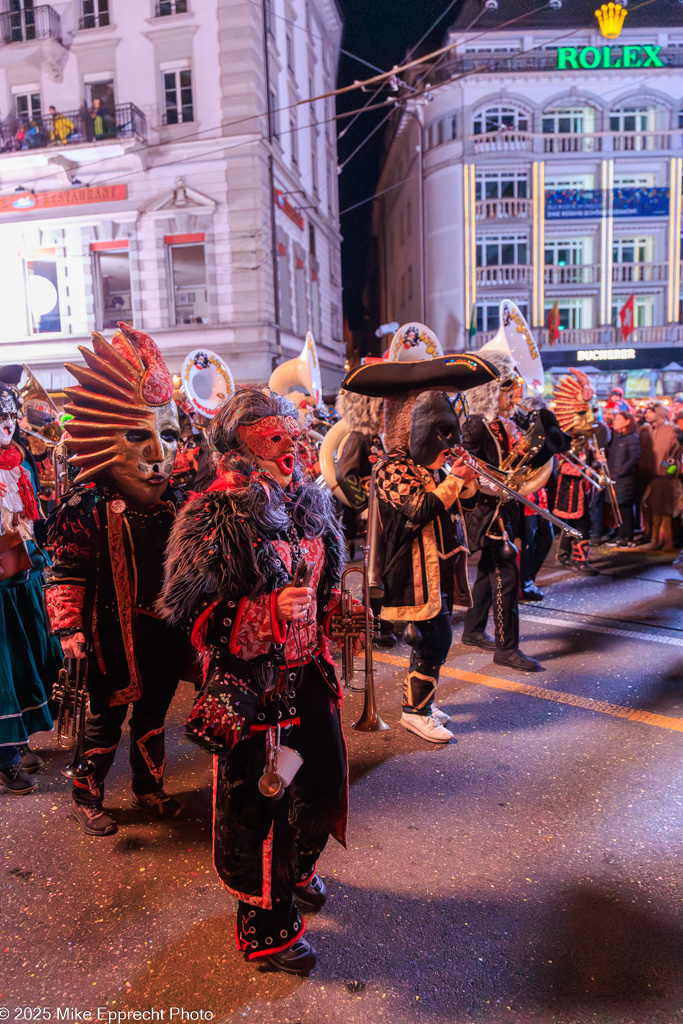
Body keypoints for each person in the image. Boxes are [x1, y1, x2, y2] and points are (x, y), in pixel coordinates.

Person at [157, 387, 356, 977]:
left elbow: (319, 583)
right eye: (277, 435)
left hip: (310, 676)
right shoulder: (214, 511)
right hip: (254, 685)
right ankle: (265, 929)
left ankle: (297, 869)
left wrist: (336, 606)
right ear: (243, 442)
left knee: (320, 781)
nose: (292, 443)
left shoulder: (309, 502)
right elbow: (190, 615)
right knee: (258, 807)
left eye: (295, 433)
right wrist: (264, 613)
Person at [44, 323, 187, 836]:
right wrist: (68, 630)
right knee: (103, 725)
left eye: (167, 435)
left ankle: (149, 788)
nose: (157, 453)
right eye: (138, 436)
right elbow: (64, 571)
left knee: (152, 719)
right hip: (108, 641)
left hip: (163, 636)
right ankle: (86, 794)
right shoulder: (85, 507)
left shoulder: (178, 503)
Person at [341, 347, 503, 732]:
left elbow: (467, 502)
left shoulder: (426, 463)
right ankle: (416, 713)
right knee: (435, 638)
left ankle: (419, 704)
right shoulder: (391, 465)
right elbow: (419, 508)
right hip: (409, 570)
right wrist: (451, 479)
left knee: (432, 637)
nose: (445, 437)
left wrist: (465, 478)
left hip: (437, 567)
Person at [460, 352, 544, 672]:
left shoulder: (502, 424)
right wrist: (495, 485)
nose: (513, 398)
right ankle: (507, 648)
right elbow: (468, 467)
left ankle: (472, 630)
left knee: (487, 572)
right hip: (488, 511)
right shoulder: (475, 424)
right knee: (506, 577)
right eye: (508, 392)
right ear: (492, 393)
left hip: (503, 508)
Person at [0, 382, 62, 794]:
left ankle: (15, 743)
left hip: (21, 577)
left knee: (26, 660)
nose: (5, 426)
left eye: (7, 418)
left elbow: (30, 519)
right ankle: (4, 758)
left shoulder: (18, 463)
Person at [553, 369, 600, 575]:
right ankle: (578, 560)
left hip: (581, 492)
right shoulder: (563, 442)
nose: (590, 418)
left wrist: (598, 464)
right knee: (577, 524)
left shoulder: (585, 441)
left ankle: (565, 556)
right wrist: (586, 472)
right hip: (568, 491)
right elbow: (561, 467)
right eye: (582, 413)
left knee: (574, 523)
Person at [640, 401, 681, 551]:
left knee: (665, 509)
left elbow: (671, 456)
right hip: (652, 477)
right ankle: (655, 539)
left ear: (658, 413)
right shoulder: (649, 431)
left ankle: (666, 540)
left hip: (665, 478)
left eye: (649, 412)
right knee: (653, 507)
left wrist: (664, 470)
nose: (646, 415)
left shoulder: (670, 430)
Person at [605, 408, 641, 548]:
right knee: (617, 509)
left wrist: (621, 471)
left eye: (619, 419)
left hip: (624, 480)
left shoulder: (632, 438)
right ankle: (620, 535)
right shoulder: (616, 437)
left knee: (625, 509)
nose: (615, 422)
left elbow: (634, 458)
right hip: (614, 479)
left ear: (627, 421)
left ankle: (627, 536)